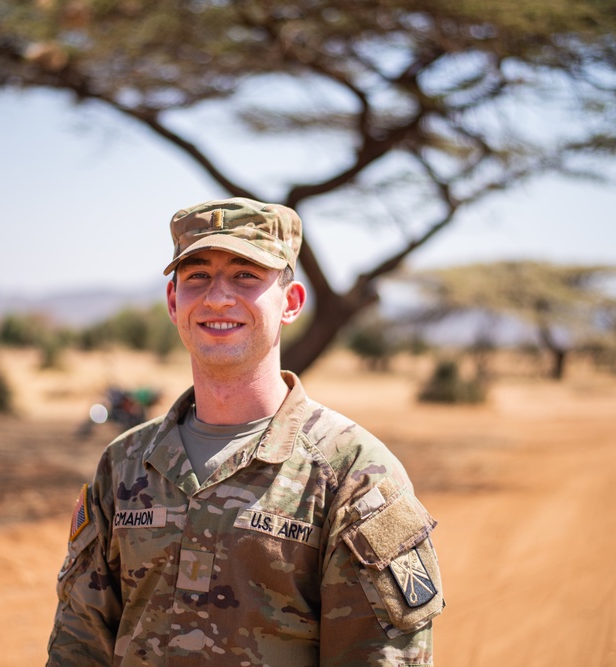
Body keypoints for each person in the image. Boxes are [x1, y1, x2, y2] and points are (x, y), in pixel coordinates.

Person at [47, 197, 444, 666]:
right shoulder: (125, 462)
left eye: (246, 275)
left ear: (291, 302)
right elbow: (80, 644)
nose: (217, 297)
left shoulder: (354, 474)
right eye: (196, 276)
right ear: (174, 302)